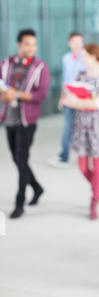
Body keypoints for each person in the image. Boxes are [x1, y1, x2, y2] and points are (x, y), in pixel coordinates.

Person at [0, 29, 50, 219]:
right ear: (19, 45)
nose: (32, 48)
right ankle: (37, 187)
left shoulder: (40, 67)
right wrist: (4, 95)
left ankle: (19, 203)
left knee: (21, 159)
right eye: (28, 44)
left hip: (27, 121)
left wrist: (17, 94)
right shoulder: (5, 64)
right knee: (18, 159)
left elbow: (41, 95)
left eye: (34, 44)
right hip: (9, 119)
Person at [62, 43, 99, 220]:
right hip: (81, 125)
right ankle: (98, 189)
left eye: (85, 55)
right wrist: (75, 101)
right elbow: (68, 96)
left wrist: (75, 103)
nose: (82, 58)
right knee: (83, 167)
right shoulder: (81, 75)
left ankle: (94, 202)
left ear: (93, 55)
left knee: (97, 167)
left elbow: (98, 104)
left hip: (97, 127)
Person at [48, 32, 86, 168]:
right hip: (69, 98)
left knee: (85, 127)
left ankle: (89, 156)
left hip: (83, 98)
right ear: (69, 43)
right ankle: (64, 156)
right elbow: (66, 80)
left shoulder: (86, 57)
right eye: (75, 42)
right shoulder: (66, 58)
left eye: (80, 42)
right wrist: (61, 97)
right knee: (68, 127)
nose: (78, 44)